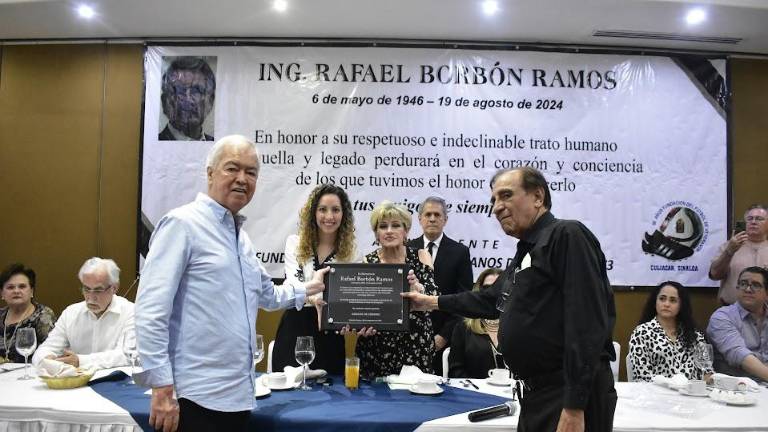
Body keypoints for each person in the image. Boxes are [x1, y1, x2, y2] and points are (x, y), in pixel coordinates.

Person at [134, 135, 328, 432]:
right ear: (210, 173)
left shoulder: (242, 240)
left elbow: (269, 295)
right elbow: (150, 311)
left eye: (251, 172)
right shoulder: (182, 224)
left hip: (237, 398)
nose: (242, 179)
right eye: (232, 168)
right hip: (193, 399)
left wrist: (309, 288)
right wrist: (161, 387)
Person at [403, 167, 616, 432]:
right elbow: (489, 300)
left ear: (538, 197)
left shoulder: (566, 235)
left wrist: (574, 406)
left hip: (565, 397)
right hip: (536, 395)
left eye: (506, 195)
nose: (496, 207)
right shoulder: (526, 252)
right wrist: (429, 302)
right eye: (493, 200)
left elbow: (587, 324)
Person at [272, 184, 357, 375]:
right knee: (291, 390)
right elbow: (293, 285)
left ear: (344, 214)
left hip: (330, 335)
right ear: (313, 212)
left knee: (331, 391)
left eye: (336, 210)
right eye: (322, 209)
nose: (329, 216)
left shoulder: (352, 254)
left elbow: (349, 297)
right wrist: (314, 298)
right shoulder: (294, 243)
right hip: (295, 329)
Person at [355, 200, 438, 377]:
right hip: (377, 346)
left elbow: (434, 299)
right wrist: (360, 323)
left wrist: (418, 288)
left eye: (396, 225)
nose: (389, 231)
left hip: (416, 345)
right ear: (376, 233)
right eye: (383, 226)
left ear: (406, 230)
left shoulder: (422, 256)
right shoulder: (368, 262)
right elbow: (363, 306)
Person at [407, 196, 473, 376]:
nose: (432, 219)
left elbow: (463, 299)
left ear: (445, 219)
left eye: (437, 215)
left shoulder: (460, 252)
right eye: (428, 214)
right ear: (420, 219)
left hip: (446, 339)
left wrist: (443, 336)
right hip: (411, 338)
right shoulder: (407, 249)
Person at [32, 258, 134, 369]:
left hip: (117, 379)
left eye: (98, 290)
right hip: (75, 378)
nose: (91, 297)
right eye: (86, 289)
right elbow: (45, 349)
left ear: (114, 288)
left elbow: (127, 355)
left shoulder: (130, 312)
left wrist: (80, 361)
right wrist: (46, 359)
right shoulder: (70, 313)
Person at [628, 281, 712, 382]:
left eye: (673, 300)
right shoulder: (642, 333)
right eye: (662, 299)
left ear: (681, 305)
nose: (666, 304)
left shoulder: (695, 335)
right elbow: (642, 376)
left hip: (691, 390)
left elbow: (707, 371)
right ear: (655, 302)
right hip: (655, 390)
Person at [707, 266, 768, 381]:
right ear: (737, 287)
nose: (748, 289)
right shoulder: (722, 317)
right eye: (743, 284)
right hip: (736, 386)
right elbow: (740, 356)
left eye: (755, 285)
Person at [448, 268, 503, 379]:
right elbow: (456, 371)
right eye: (487, 288)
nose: (492, 293)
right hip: (474, 388)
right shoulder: (463, 327)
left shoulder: (518, 326)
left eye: (498, 287)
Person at [709, 204, 768, 305]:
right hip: (731, 310)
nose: (753, 222)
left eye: (759, 219)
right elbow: (714, 275)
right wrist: (729, 252)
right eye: (750, 219)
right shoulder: (729, 246)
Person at [0, 263, 56, 363]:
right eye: (10, 287)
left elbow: (52, 352)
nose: (16, 291)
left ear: (31, 291)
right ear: (2, 293)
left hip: (32, 371)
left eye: (22, 286)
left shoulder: (43, 316)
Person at [159, 56, 215, 141]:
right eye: (179, 90)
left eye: (196, 90)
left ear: (210, 102)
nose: (188, 99)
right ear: (165, 102)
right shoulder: (152, 144)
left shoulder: (218, 145)